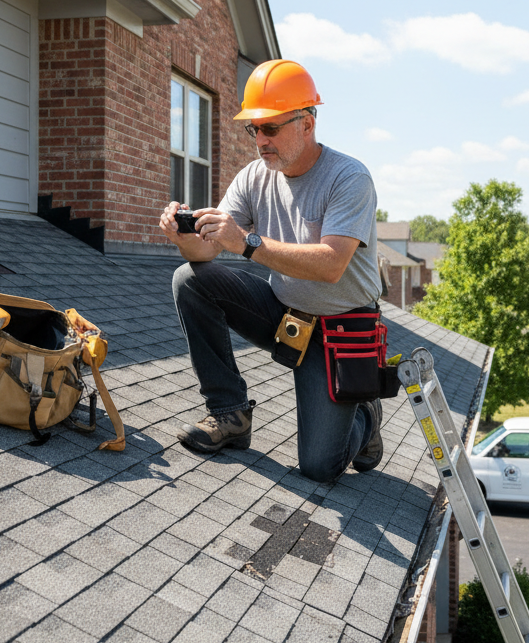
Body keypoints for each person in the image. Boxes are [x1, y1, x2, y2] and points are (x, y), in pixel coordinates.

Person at [159, 59, 383, 483]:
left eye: (271, 128)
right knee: (190, 279)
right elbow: (207, 250)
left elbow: (332, 264)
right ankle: (230, 415)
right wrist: (182, 234)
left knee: (319, 467)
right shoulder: (254, 176)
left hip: (341, 328)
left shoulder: (349, 178)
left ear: (307, 123)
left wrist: (245, 242)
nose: (260, 140)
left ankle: (365, 416)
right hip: (284, 313)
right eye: (254, 129)